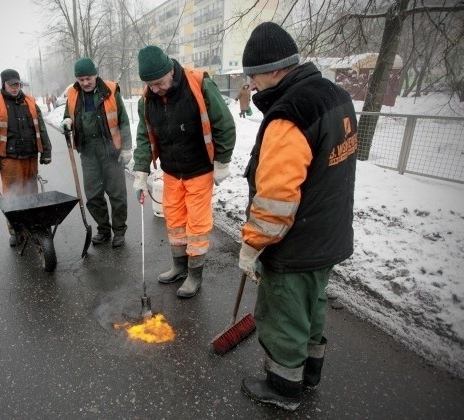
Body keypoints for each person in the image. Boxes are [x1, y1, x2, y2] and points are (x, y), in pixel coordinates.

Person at [237, 22, 357, 411]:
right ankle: (309, 374)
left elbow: (276, 199)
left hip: (295, 244)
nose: (251, 85)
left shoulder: (289, 115)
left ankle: (283, 388)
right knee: (312, 307)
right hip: (327, 234)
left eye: (252, 76)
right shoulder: (335, 95)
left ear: (274, 70)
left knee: (283, 315)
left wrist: (253, 245)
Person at [132, 45, 236, 298]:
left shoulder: (199, 85)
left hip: (199, 168)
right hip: (171, 170)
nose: (154, 89)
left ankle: (194, 274)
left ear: (170, 70)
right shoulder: (147, 99)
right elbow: (145, 136)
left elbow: (224, 124)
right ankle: (179, 266)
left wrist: (222, 162)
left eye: (158, 82)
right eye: (149, 84)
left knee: (197, 225)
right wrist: (140, 172)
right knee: (175, 220)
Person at [60, 57, 133, 248]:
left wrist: (126, 148)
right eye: (81, 79)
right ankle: (103, 229)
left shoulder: (110, 90)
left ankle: (119, 231)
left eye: (88, 78)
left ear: (95, 75)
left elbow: (123, 121)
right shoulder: (73, 94)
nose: (85, 83)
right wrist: (67, 121)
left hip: (111, 150)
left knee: (116, 193)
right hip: (88, 151)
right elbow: (68, 115)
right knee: (93, 195)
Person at [0, 68, 53, 247]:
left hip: (30, 155)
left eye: (17, 84)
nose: (15, 88)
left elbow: (41, 128)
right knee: (13, 196)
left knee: (31, 193)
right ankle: (15, 230)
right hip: (9, 159)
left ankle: (33, 226)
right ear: (4, 84)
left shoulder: (29, 101)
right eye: (11, 85)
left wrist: (46, 151)